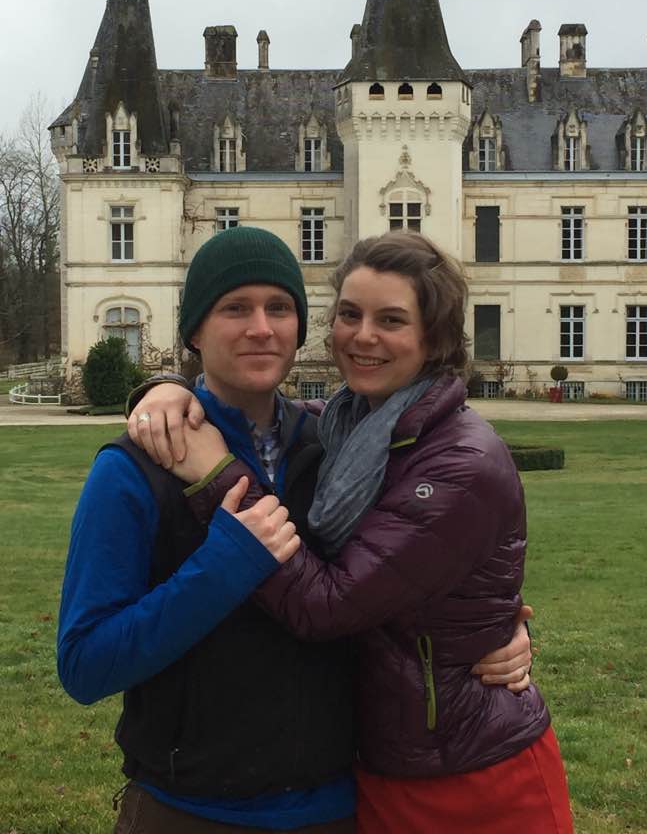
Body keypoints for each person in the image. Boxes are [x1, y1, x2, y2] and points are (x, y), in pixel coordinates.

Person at [58, 226, 532, 833]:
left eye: (279, 308)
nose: (261, 328)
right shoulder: (136, 469)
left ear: (301, 328)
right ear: (194, 331)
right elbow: (85, 664)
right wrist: (222, 566)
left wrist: (496, 624)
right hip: (190, 809)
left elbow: (416, 566)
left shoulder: (339, 448)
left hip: (335, 805)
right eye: (235, 308)